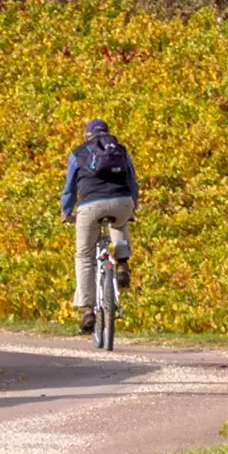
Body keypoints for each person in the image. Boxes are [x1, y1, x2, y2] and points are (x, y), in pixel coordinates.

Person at [61, 118, 138, 334]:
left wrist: (67, 212)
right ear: (107, 133)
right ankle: (122, 261)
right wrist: (132, 207)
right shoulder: (121, 150)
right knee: (120, 222)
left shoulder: (78, 153)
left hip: (90, 206)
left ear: (86, 136)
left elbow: (69, 188)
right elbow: (132, 182)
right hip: (122, 201)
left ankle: (87, 311)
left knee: (84, 256)